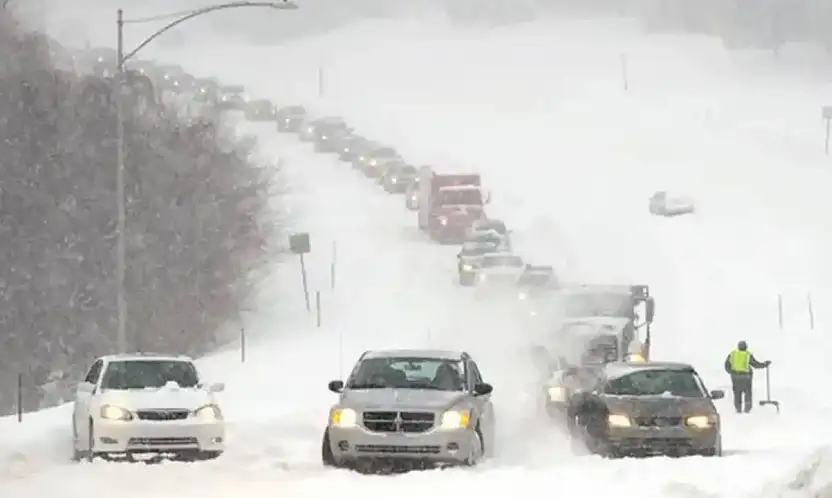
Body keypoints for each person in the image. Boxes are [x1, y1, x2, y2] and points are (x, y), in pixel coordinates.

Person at [724, 340, 770, 413]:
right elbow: (755, 364)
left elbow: (726, 365)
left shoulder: (732, 354)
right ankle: (747, 409)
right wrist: (764, 364)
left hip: (735, 377)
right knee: (747, 393)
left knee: (737, 393)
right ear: (745, 347)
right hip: (746, 377)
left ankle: (738, 408)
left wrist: (731, 372)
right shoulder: (747, 355)